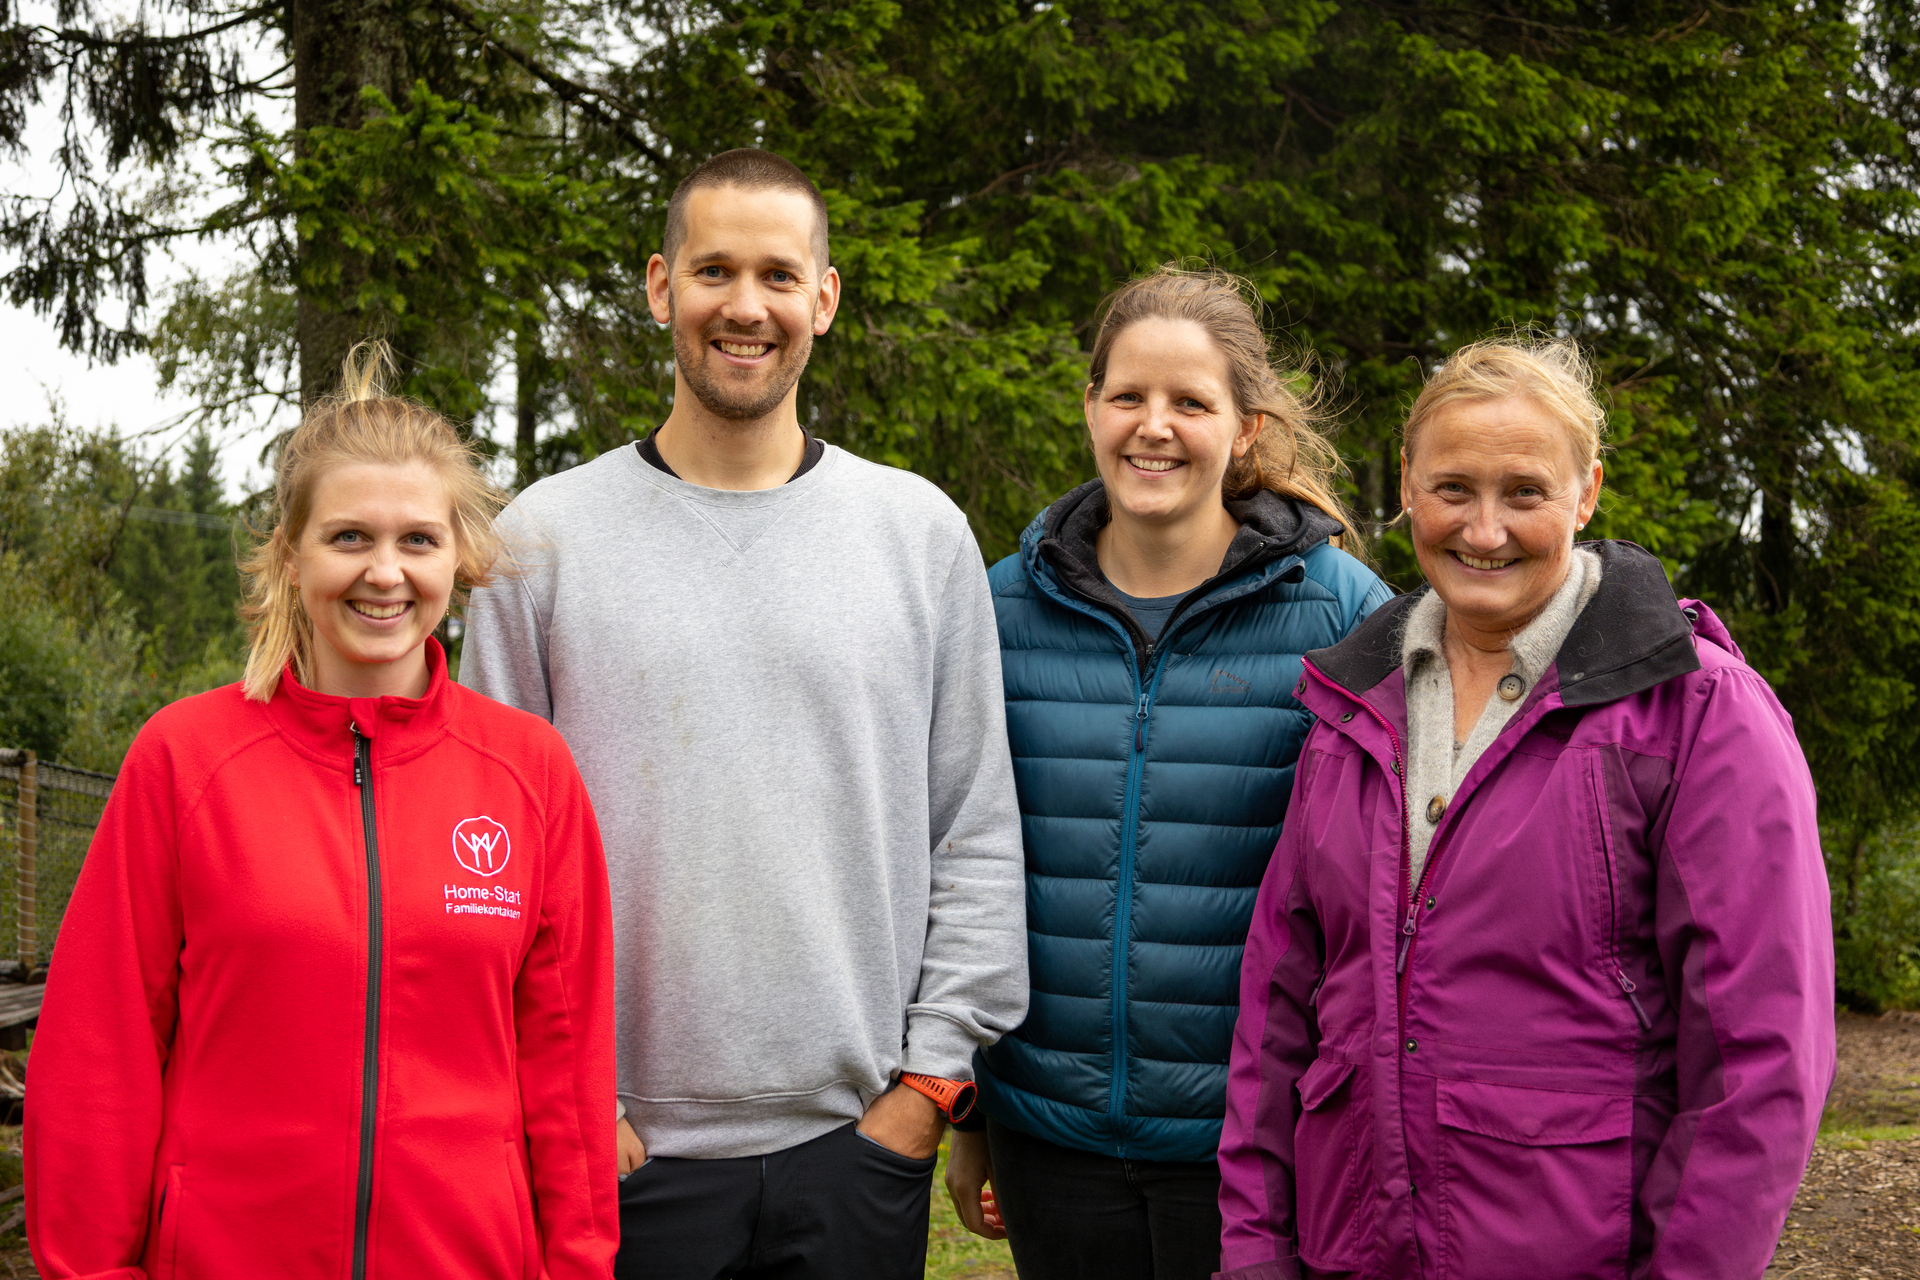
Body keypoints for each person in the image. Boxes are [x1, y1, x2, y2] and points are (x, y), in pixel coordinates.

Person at [459, 147, 1027, 1280]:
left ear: (823, 295)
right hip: (617, 1152)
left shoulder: (917, 535)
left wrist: (927, 1086)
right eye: (714, 270)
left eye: (778, 273)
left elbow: (975, 830)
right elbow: (487, 854)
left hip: (855, 1143)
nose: (745, 305)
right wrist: (561, 1097)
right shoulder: (541, 540)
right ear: (662, 286)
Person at [1215, 337, 1836, 1279]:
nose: (1485, 530)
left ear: (1586, 495)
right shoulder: (1349, 709)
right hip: (1353, 1253)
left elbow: (1762, 1062)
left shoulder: (1697, 709)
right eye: (1454, 489)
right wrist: (1257, 1261)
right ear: (1409, 489)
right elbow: (1275, 1020)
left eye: (1526, 493)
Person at [25, 346, 618, 1280]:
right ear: (289, 555)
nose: (385, 572)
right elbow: (102, 1050)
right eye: (349, 537)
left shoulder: (528, 773)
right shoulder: (185, 762)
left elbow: (568, 1071)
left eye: (418, 540)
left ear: (458, 558)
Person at [942, 266, 1392, 1280]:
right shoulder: (999, 609)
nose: (1156, 425)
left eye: (1191, 401)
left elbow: (1384, 890)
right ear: (1090, 407)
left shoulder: (1344, 616)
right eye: (1129, 395)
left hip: (1253, 1147)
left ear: (1246, 427)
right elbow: (959, 867)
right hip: (1046, 1136)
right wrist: (970, 1104)